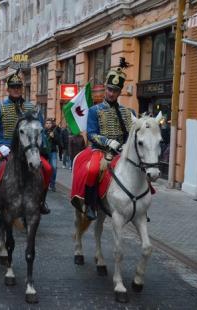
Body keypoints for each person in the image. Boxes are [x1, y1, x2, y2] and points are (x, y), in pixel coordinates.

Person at [0, 73, 52, 217]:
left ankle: (41, 201)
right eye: (13, 87)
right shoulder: (0, 108)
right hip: (6, 147)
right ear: (8, 90)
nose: (16, 89)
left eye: (18, 87)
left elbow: (40, 129)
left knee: (48, 168)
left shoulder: (32, 107)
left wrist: (40, 147)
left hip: (30, 149)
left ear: (22, 89)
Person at [71, 58, 133, 220]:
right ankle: (90, 204)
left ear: (119, 92)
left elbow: (131, 133)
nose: (112, 93)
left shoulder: (127, 112)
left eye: (115, 91)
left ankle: (139, 206)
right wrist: (107, 142)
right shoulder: (94, 110)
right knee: (92, 170)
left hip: (121, 151)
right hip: (100, 150)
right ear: (106, 89)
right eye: (110, 89)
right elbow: (91, 133)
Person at [44, 119, 61, 192]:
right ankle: (45, 184)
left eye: (49, 123)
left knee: (53, 168)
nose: (48, 124)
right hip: (44, 152)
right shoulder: (42, 132)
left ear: (51, 124)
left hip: (53, 152)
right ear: (45, 124)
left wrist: (54, 137)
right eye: (47, 123)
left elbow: (59, 142)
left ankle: (52, 184)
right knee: (45, 168)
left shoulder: (55, 131)